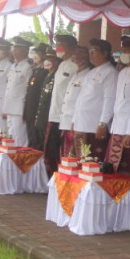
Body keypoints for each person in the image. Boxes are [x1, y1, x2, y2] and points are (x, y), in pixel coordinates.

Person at [73, 39, 119, 160]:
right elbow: (81, 98)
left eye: (94, 51)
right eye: (90, 51)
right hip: (81, 124)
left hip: (95, 126)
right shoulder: (91, 72)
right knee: (81, 162)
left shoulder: (110, 72)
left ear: (105, 53)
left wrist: (103, 123)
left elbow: (110, 99)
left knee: (94, 163)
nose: (91, 54)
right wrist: (74, 120)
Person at [105, 37, 130, 174]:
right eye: (123, 50)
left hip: (129, 126)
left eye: (127, 50)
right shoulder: (122, 72)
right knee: (110, 165)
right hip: (117, 125)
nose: (124, 53)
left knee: (125, 166)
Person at [44, 34, 79, 173]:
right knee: (50, 150)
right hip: (55, 113)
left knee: (63, 152)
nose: (58, 48)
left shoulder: (74, 66)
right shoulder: (62, 65)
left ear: (71, 48)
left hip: (66, 116)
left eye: (62, 45)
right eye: (58, 44)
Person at [58, 46, 91, 158]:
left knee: (74, 156)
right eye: (73, 57)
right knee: (65, 154)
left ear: (85, 59)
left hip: (75, 122)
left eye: (77, 57)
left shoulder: (88, 75)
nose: (74, 59)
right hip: (66, 120)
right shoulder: (75, 75)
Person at [2, 38, 34, 146]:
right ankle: (12, 158)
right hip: (10, 106)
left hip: (20, 107)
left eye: (18, 48)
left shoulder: (28, 67)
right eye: (14, 48)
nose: (14, 51)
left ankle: (21, 159)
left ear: (25, 50)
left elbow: (28, 90)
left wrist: (26, 110)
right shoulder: (14, 65)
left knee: (20, 137)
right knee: (11, 135)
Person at [23, 43, 49, 150]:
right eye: (36, 52)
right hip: (30, 109)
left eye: (38, 53)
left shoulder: (45, 72)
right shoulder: (35, 70)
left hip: (37, 111)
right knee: (31, 136)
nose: (36, 55)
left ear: (44, 55)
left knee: (37, 138)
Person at [33, 49, 59, 152]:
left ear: (56, 62)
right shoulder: (47, 75)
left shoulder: (55, 76)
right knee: (40, 141)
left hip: (49, 114)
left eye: (50, 59)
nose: (46, 62)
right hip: (42, 115)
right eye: (46, 59)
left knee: (48, 143)